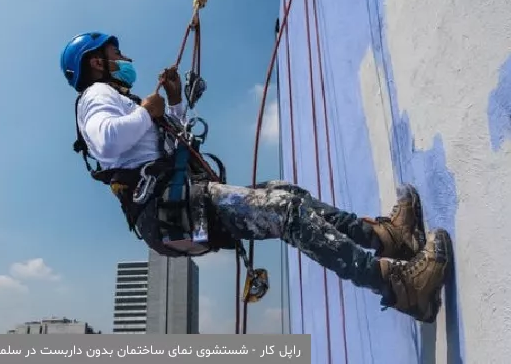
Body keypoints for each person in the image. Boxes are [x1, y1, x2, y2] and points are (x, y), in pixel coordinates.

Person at [60, 31, 453, 324]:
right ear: (96, 61)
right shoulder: (95, 97)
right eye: (115, 52)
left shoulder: (123, 99)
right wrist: (147, 110)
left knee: (286, 195)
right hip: (169, 208)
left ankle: (387, 239)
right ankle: (401, 288)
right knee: (285, 212)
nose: (123, 56)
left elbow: (167, 141)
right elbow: (107, 142)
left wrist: (174, 102)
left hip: (181, 201)